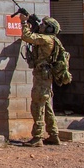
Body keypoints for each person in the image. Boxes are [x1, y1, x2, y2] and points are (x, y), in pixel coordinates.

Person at [17, 12, 62, 147]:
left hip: (42, 79)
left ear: (49, 29)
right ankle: (54, 135)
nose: (41, 26)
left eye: (44, 25)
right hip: (45, 78)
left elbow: (27, 37)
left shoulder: (47, 39)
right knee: (47, 106)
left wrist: (24, 22)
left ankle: (37, 137)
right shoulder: (51, 39)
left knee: (37, 106)